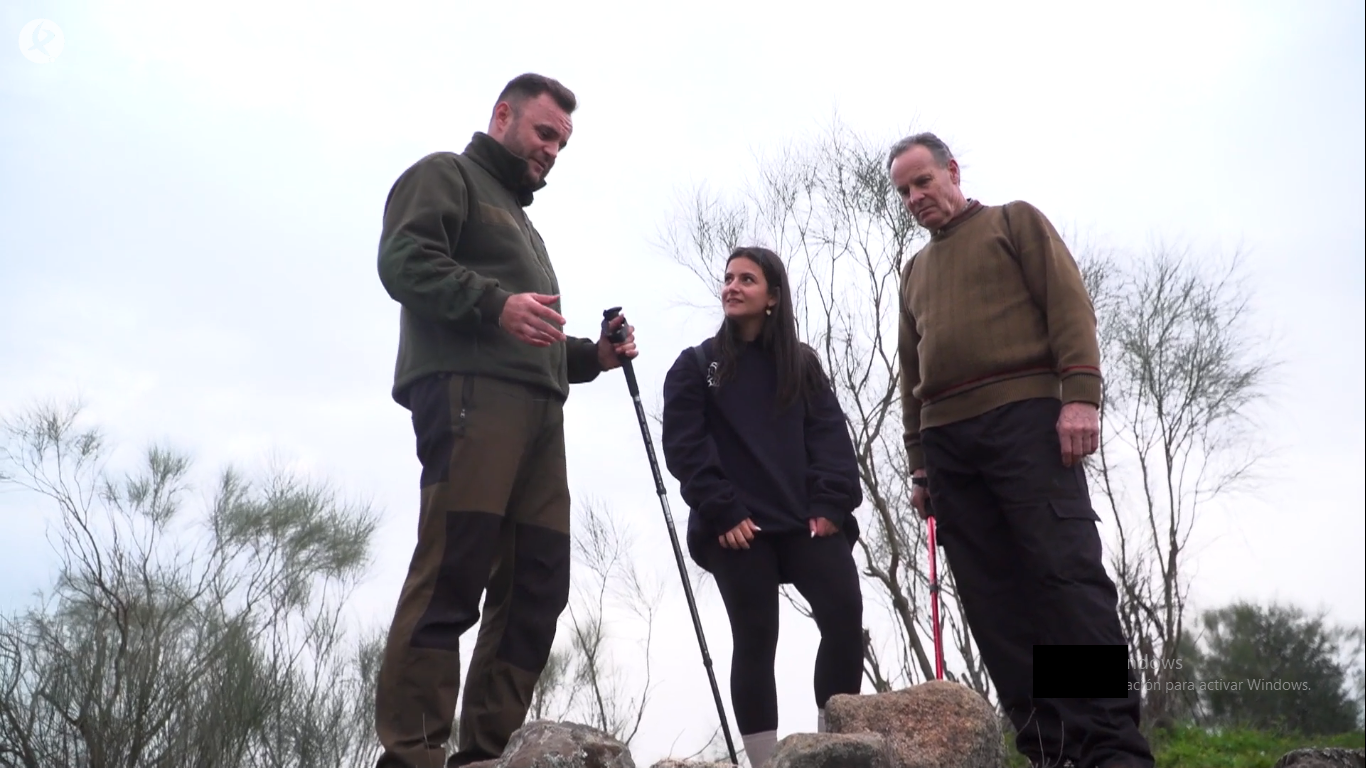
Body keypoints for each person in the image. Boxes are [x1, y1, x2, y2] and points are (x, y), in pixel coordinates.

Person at [372, 73, 637, 768]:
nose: (552, 150)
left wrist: (595, 357)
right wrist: (495, 303)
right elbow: (403, 261)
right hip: (469, 401)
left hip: (540, 417)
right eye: (544, 133)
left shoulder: (522, 218)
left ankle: (488, 753)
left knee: (538, 582)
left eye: (562, 142)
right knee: (455, 568)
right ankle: (412, 751)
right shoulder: (446, 176)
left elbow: (531, 335)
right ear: (503, 116)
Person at [889, 132, 1154, 768]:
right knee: (993, 599)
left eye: (923, 181)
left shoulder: (1014, 222)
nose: (915, 197)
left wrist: (1080, 396)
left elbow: (1070, 307)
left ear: (952, 171)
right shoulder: (915, 272)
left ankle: (1110, 747)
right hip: (951, 445)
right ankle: (1049, 748)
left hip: (1027, 422)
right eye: (903, 191)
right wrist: (919, 461)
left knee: (1061, 578)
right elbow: (910, 370)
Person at [661, 246, 865, 768]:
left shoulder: (802, 365)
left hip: (806, 522)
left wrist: (831, 506)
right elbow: (685, 446)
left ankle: (830, 748)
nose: (732, 286)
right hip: (736, 528)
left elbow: (830, 439)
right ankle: (764, 761)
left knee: (844, 618)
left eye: (746, 279)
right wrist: (721, 510)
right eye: (728, 278)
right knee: (757, 635)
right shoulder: (696, 366)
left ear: (772, 297)